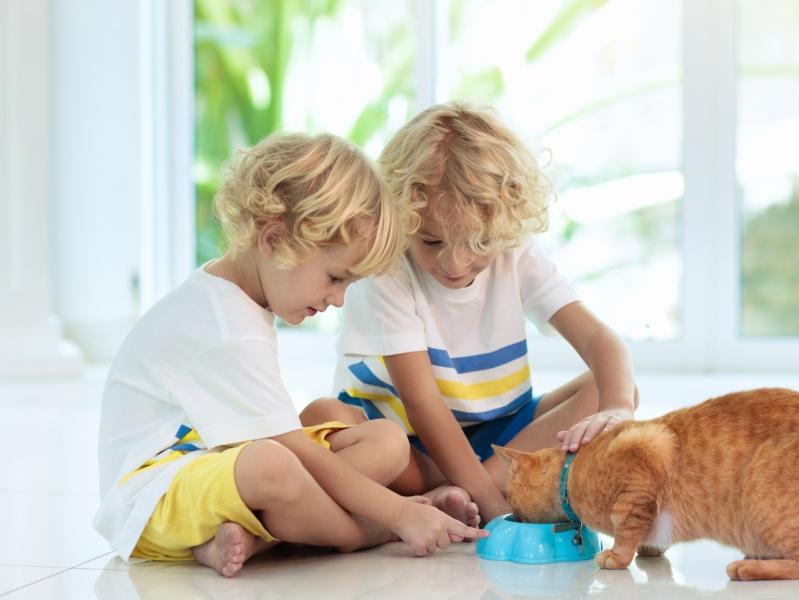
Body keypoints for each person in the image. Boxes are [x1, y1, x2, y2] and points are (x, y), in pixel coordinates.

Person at [93, 132, 486, 578]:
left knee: (385, 441)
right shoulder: (225, 326)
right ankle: (362, 533)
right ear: (274, 238)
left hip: (220, 467)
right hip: (152, 498)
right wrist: (397, 515)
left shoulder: (239, 297)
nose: (337, 299)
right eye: (335, 277)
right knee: (272, 464)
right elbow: (294, 454)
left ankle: (258, 539)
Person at [301, 103, 639, 523]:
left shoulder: (515, 252)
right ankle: (478, 490)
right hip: (408, 445)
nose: (455, 264)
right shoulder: (385, 267)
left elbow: (599, 341)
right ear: (402, 217)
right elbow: (423, 405)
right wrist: (497, 511)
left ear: (504, 224)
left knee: (604, 388)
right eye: (432, 242)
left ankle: (461, 491)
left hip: (499, 438)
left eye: (478, 244)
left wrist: (619, 407)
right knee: (327, 419)